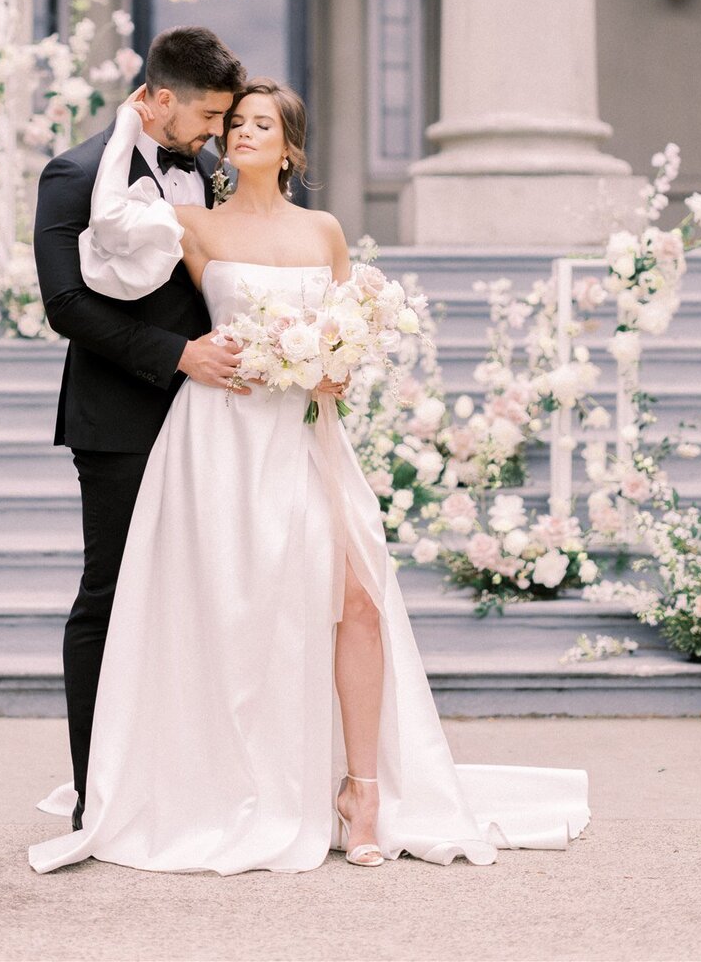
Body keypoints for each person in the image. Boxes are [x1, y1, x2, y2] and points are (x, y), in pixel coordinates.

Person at [29, 76, 590, 875]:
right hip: (221, 432)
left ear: (290, 147)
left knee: (356, 598)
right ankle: (240, 782)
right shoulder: (190, 222)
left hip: (307, 436)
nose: (242, 134)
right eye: (236, 123)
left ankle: (362, 791)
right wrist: (130, 119)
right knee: (243, 606)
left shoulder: (324, 230)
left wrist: (337, 367)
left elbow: (347, 328)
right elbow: (112, 228)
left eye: (261, 124)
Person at [33, 25, 247, 831]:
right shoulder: (75, 175)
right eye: (207, 117)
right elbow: (66, 305)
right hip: (120, 420)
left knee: (202, 597)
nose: (217, 134)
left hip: (216, 422)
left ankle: (189, 776)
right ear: (156, 99)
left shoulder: (218, 171)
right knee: (111, 597)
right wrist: (177, 355)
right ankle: (100, 793)